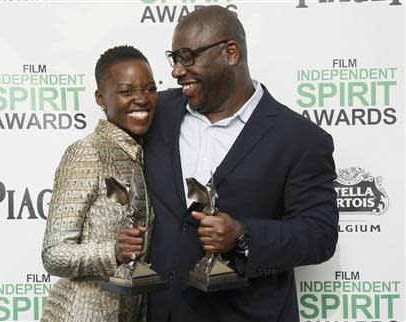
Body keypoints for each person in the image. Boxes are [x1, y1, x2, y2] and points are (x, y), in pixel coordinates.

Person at [144, 6, 338, 322]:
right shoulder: (157, 112)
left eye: (187, 57)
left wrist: (242, 235)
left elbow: (320, 233)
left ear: (230, 53)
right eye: (174, 58)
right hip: (161, 312)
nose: (177, 71)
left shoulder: (300, 138)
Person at [40, 45, 158, 322]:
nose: (141, 99)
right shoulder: (87, 152)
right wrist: (112, 251)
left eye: (150, 89)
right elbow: (53, 254)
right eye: (126, 91)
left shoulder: (142, 154)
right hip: (80, 313)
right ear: (101, 98)